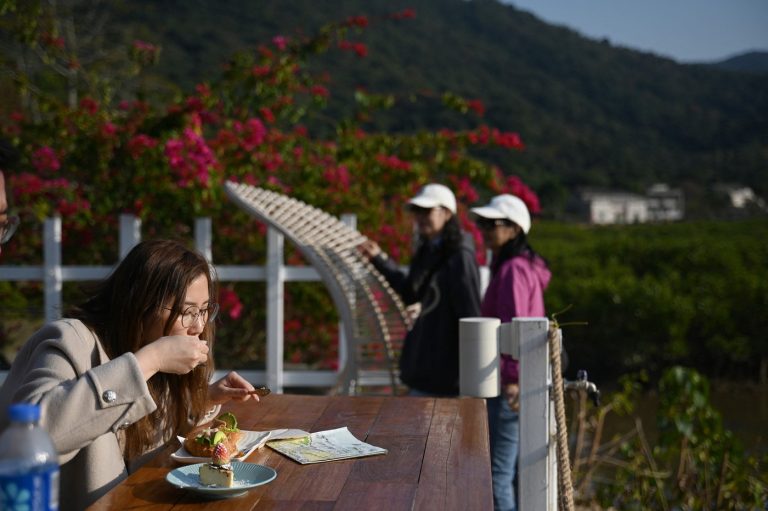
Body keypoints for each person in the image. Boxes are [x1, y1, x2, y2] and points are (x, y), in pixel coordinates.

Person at [0, 239, 261, 510]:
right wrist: (149, 360)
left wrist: (204, 399)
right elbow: (32, 436)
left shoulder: (148, 352)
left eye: (205, 310)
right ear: (141, 304)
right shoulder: (70, 340)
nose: (198, 325)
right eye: (187, 311)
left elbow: (143, 448)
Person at [359, 183, 481, 396]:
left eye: (427, 211)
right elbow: (411, 293)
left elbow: (470, 313)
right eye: (417, 211)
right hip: (429, 367)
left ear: (447, 213)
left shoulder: (459, 255)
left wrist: (470, 369)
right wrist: (380, 260)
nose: (420, 217)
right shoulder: (429, 248)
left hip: (445, 372)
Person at [471, 194, 551, 511]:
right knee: (510, 472)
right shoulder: (519, 266)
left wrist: (513, 379)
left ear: (514, 230)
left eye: (493, 224)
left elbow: (517, 327)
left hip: (510, 386)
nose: (485, 230)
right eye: (482, 224)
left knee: (497, 476)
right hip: (515, 381)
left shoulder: (513, 270)